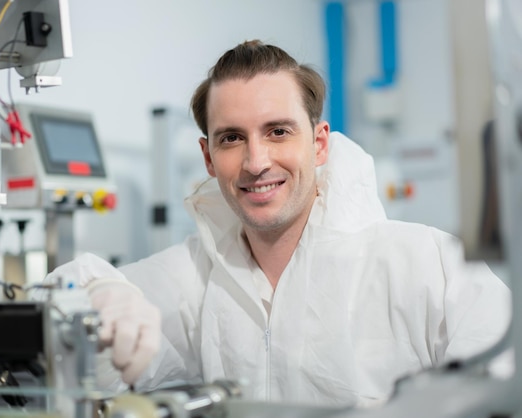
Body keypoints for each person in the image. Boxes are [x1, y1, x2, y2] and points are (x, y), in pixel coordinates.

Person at [46, 40, 511, 407]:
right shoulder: (199, 273)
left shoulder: (431, 263)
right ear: (209, 157)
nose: (256, 161)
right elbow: (53, 314)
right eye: (232, 138)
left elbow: (504, 386)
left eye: (278, 131)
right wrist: (93, 298)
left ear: (320, 144)